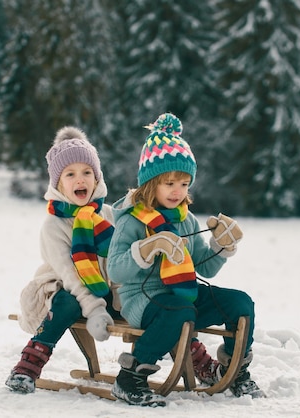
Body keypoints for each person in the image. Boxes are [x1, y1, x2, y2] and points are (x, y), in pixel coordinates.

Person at [107, 113, 265, 407]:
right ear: (150, 183)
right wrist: (146, 248)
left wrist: (223, 246)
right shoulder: (131, 221)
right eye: (169, 183)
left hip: (184, 295)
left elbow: (204, 267)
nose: (177, 191)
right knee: (179, 311)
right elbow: (116, 269)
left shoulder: (187, 220)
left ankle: (236, 370)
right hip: (142, 298)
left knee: (240, 303)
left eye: (183, 183)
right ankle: (129, 378)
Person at [6, 126, 120, 394]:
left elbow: (121, 262)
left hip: (105, 290)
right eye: (70, 174)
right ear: (58, 183)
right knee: (67, 303)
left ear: (97, 177)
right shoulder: (54, 225)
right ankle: (28, 366)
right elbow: (70, 277)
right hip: (63, 289)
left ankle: (152, 362)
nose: (80, 180)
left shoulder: (108, 215)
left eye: (86, 172)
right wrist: (94, 309)